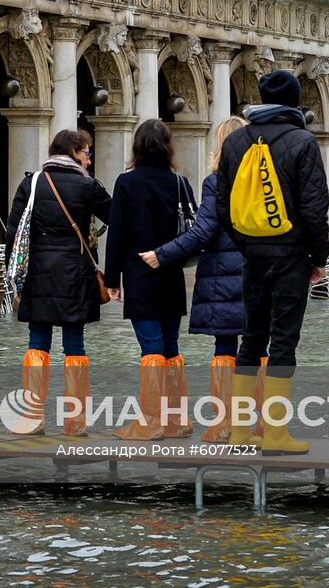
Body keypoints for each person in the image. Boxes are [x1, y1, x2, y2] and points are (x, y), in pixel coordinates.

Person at [215, 70, 329, 455]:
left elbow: (222, 205)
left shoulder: (234, 142)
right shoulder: (302, 141)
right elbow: (315, 208)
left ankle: (238, 432)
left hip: (252, 255)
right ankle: (276, 433)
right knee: (283, 341)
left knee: (251, 339)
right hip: (291, 256)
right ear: (294, 102)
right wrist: (319, 257)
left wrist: (246, 245)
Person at [139, 117, 250, 443]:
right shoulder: (265, 179)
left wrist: (162, 254)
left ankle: (225, 424)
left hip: (223, 276)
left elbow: (202, 232)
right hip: (262, 271)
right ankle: (260, 424)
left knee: (226, 346)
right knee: (258, 346)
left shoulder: (217, 181)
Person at [3, 129, 112, 436]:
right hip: (75, 272)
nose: (89, 160)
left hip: (38, 271)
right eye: (87, 153)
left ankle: (31, 418)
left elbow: (13, 233)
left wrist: (14, 278)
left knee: (37, 342)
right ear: (75, 151)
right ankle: (75, 422)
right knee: (74, 344)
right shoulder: (87, 186)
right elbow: (117, 216)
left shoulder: (31, 182)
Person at [104, 119, 196, 441]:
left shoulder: (126, 183)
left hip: (140, 274)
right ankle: (177, 419)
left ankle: (153, 421)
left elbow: (116, 235)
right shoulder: (180, 182)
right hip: (170, 272)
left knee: (151, 347)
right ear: (168, 146)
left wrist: (111, 278)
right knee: (170, 346)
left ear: (137, 146)